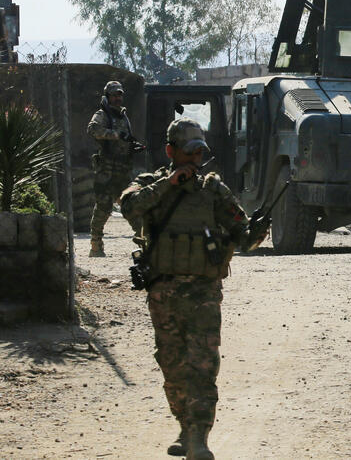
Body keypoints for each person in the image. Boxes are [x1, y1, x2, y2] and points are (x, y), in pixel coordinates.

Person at [120, 118, 267, 460]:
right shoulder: (149, 184)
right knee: (172, 365)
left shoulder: (213, 190)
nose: (195, 160)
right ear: (171, 151)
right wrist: (169, 184)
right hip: (163, 291)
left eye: (199, 153)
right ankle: (185, 426)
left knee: (202, 364)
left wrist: (257, 231)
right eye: (188, 153)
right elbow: (129, 207)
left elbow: (243, 237)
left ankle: (199, 437)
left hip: (203, 292)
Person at [86, 80, 143, 257]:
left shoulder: (122, 116)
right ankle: (96, 245)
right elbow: (92, 129)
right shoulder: (103, 115)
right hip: (106, 169)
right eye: (114, 95)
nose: (117, 98)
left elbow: (125, 140)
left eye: (119, 95)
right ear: (107, 97)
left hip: (123, 168)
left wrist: (132, 145)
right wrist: (116, 135)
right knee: (103, 207)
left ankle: (142, 240)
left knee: (130, 204)